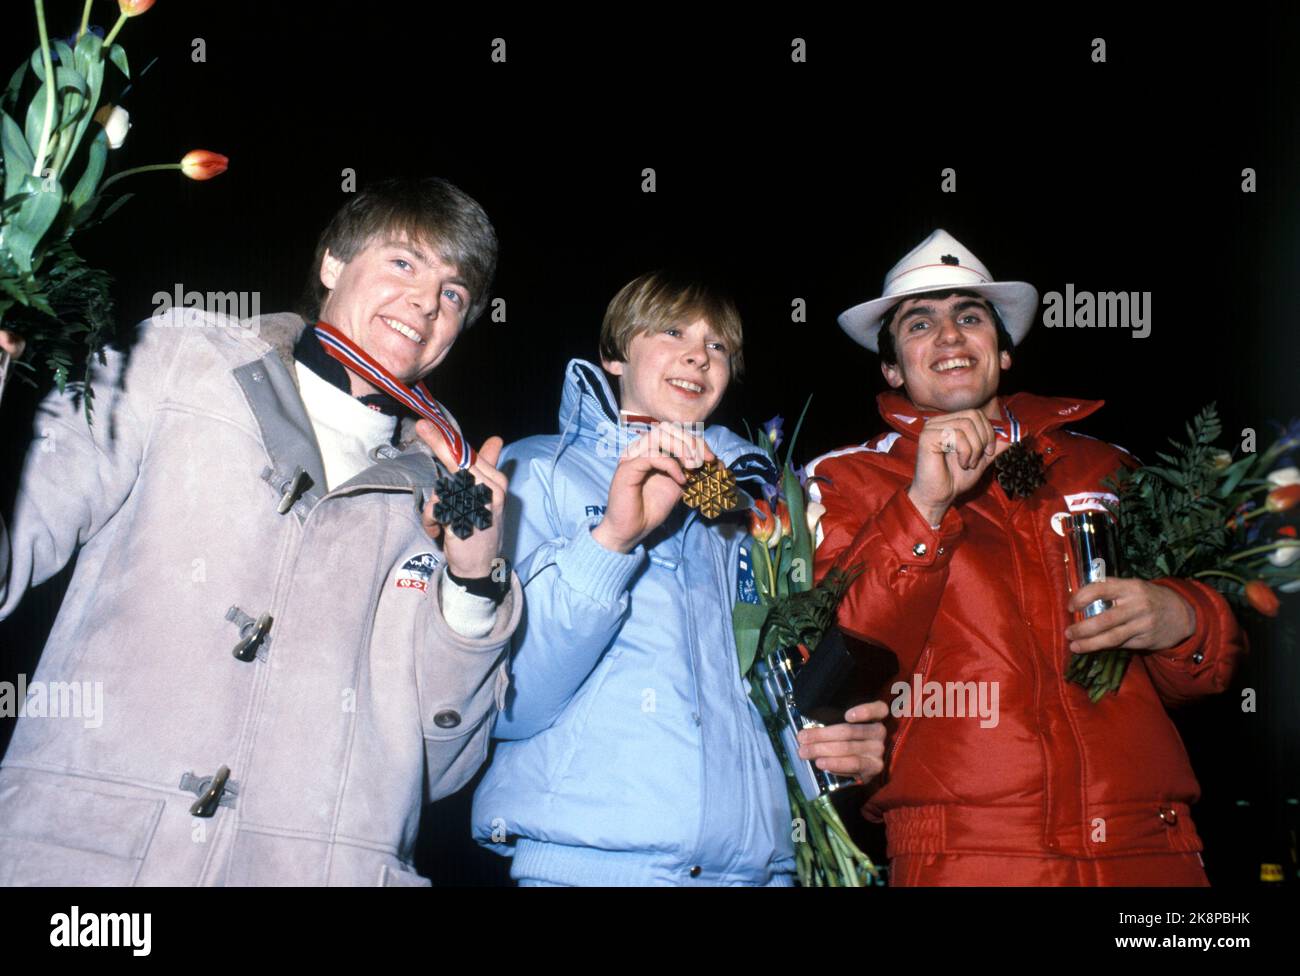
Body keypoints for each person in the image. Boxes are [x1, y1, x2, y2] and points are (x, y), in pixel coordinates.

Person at [0, 177, 519, 885]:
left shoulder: (447, 489)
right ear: (333, 263)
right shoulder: (186, 358)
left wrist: (472, 582)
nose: (428, 301)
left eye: (455, 293)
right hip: (90, 872)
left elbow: (441, 766)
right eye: (404, 262)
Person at [807, 229, 1245, 886]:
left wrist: (1183, 616)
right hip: (971, 853)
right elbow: (846, 658)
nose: (951, 336)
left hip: (1151, 844)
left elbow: (1203, 677)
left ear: (1003, 353)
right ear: (893, 368)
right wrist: (923, 502)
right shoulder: (845, 481)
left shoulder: (1108, 464)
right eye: (921, 322)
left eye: (971, 316)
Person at [471, 270, 888, 886]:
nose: (699, 354)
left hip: (761, 870)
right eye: (672, 331)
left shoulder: (756, 509)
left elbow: (772, 686)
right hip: (595, 870)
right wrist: (611, 542)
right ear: (613, 355)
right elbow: (506, 705)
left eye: (719, 345)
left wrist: (836, 744)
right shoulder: (535, 473)